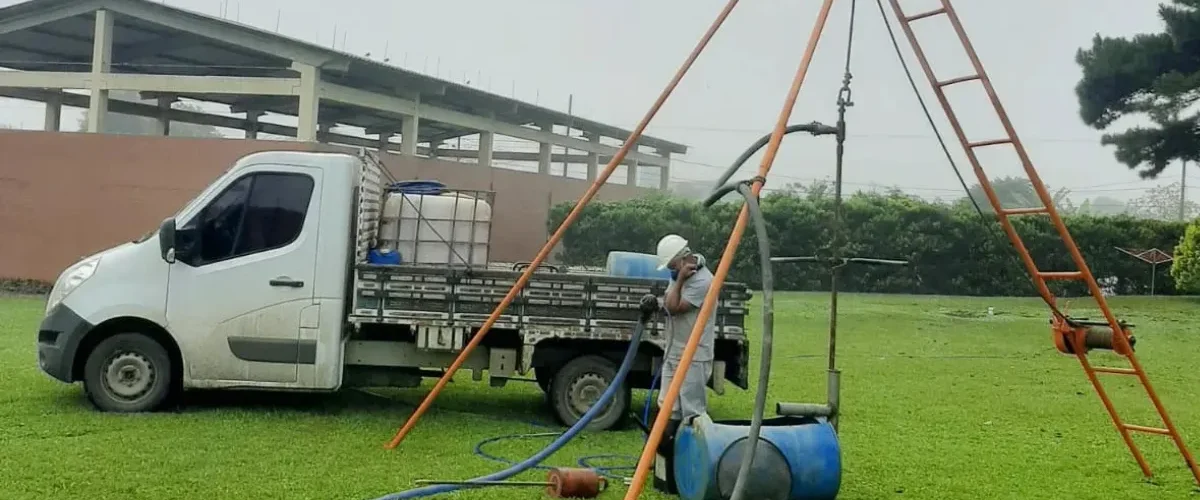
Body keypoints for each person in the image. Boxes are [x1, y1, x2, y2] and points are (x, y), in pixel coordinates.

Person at [640, 233, 716, 422]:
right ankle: (666, 439)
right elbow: (668, 301)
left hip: (694, 355)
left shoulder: (703, 281)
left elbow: (673, 308)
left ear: (682, 260)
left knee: (691, 410)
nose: (671, 271)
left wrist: (680, 280)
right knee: (667, 405)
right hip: (674, 350)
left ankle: (692, 440)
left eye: (672, 266)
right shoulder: (678, 275)